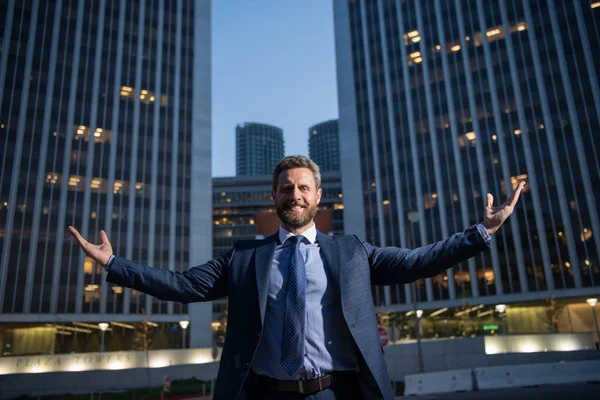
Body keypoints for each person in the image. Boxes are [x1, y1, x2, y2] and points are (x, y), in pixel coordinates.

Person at [70, 155, 525, 399]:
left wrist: (481, 232)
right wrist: (114, 264)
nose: (295, 194)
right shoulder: (245, 257)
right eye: (287, 188)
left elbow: (417, 261)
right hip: (267, 394)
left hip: (337, 394)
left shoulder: (351, 251)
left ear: (318, 197)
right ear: (274, 196)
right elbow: (184, 285)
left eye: (304, 187)